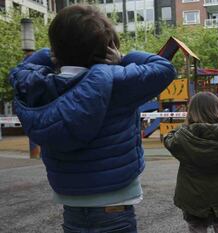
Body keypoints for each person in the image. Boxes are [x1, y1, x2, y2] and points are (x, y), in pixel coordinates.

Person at [9, 4, 176, 233]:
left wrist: (56, 52)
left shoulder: (39, 86)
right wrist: (123, 58)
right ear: (107, 48)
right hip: (116, 203)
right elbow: (163, 67)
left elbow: (22, 68)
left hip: (70, 202)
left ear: (56, 50)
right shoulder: (120, 83)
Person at [164, 92, 218, 233]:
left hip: (193, 197)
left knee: (197, 228)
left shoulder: (182, 138)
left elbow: (168, 138)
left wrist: (184, 126)